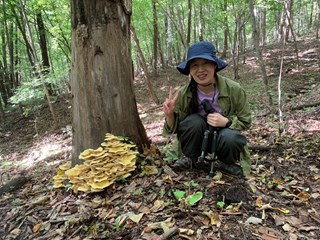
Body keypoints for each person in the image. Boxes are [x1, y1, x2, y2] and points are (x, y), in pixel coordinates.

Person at [162, 41, 252, 177]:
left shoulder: (234, 89)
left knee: (231, 136)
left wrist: (226, 122)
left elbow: (246, 121)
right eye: (195, 65)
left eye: (206, 63)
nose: (200, 70)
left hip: (222, 138)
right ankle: (191, 158)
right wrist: (169, 115)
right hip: (197, 138)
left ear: (215, 65)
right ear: (190, 70)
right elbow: (176, 129)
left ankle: (226, 163)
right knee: (193, 121)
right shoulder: (184, 93)